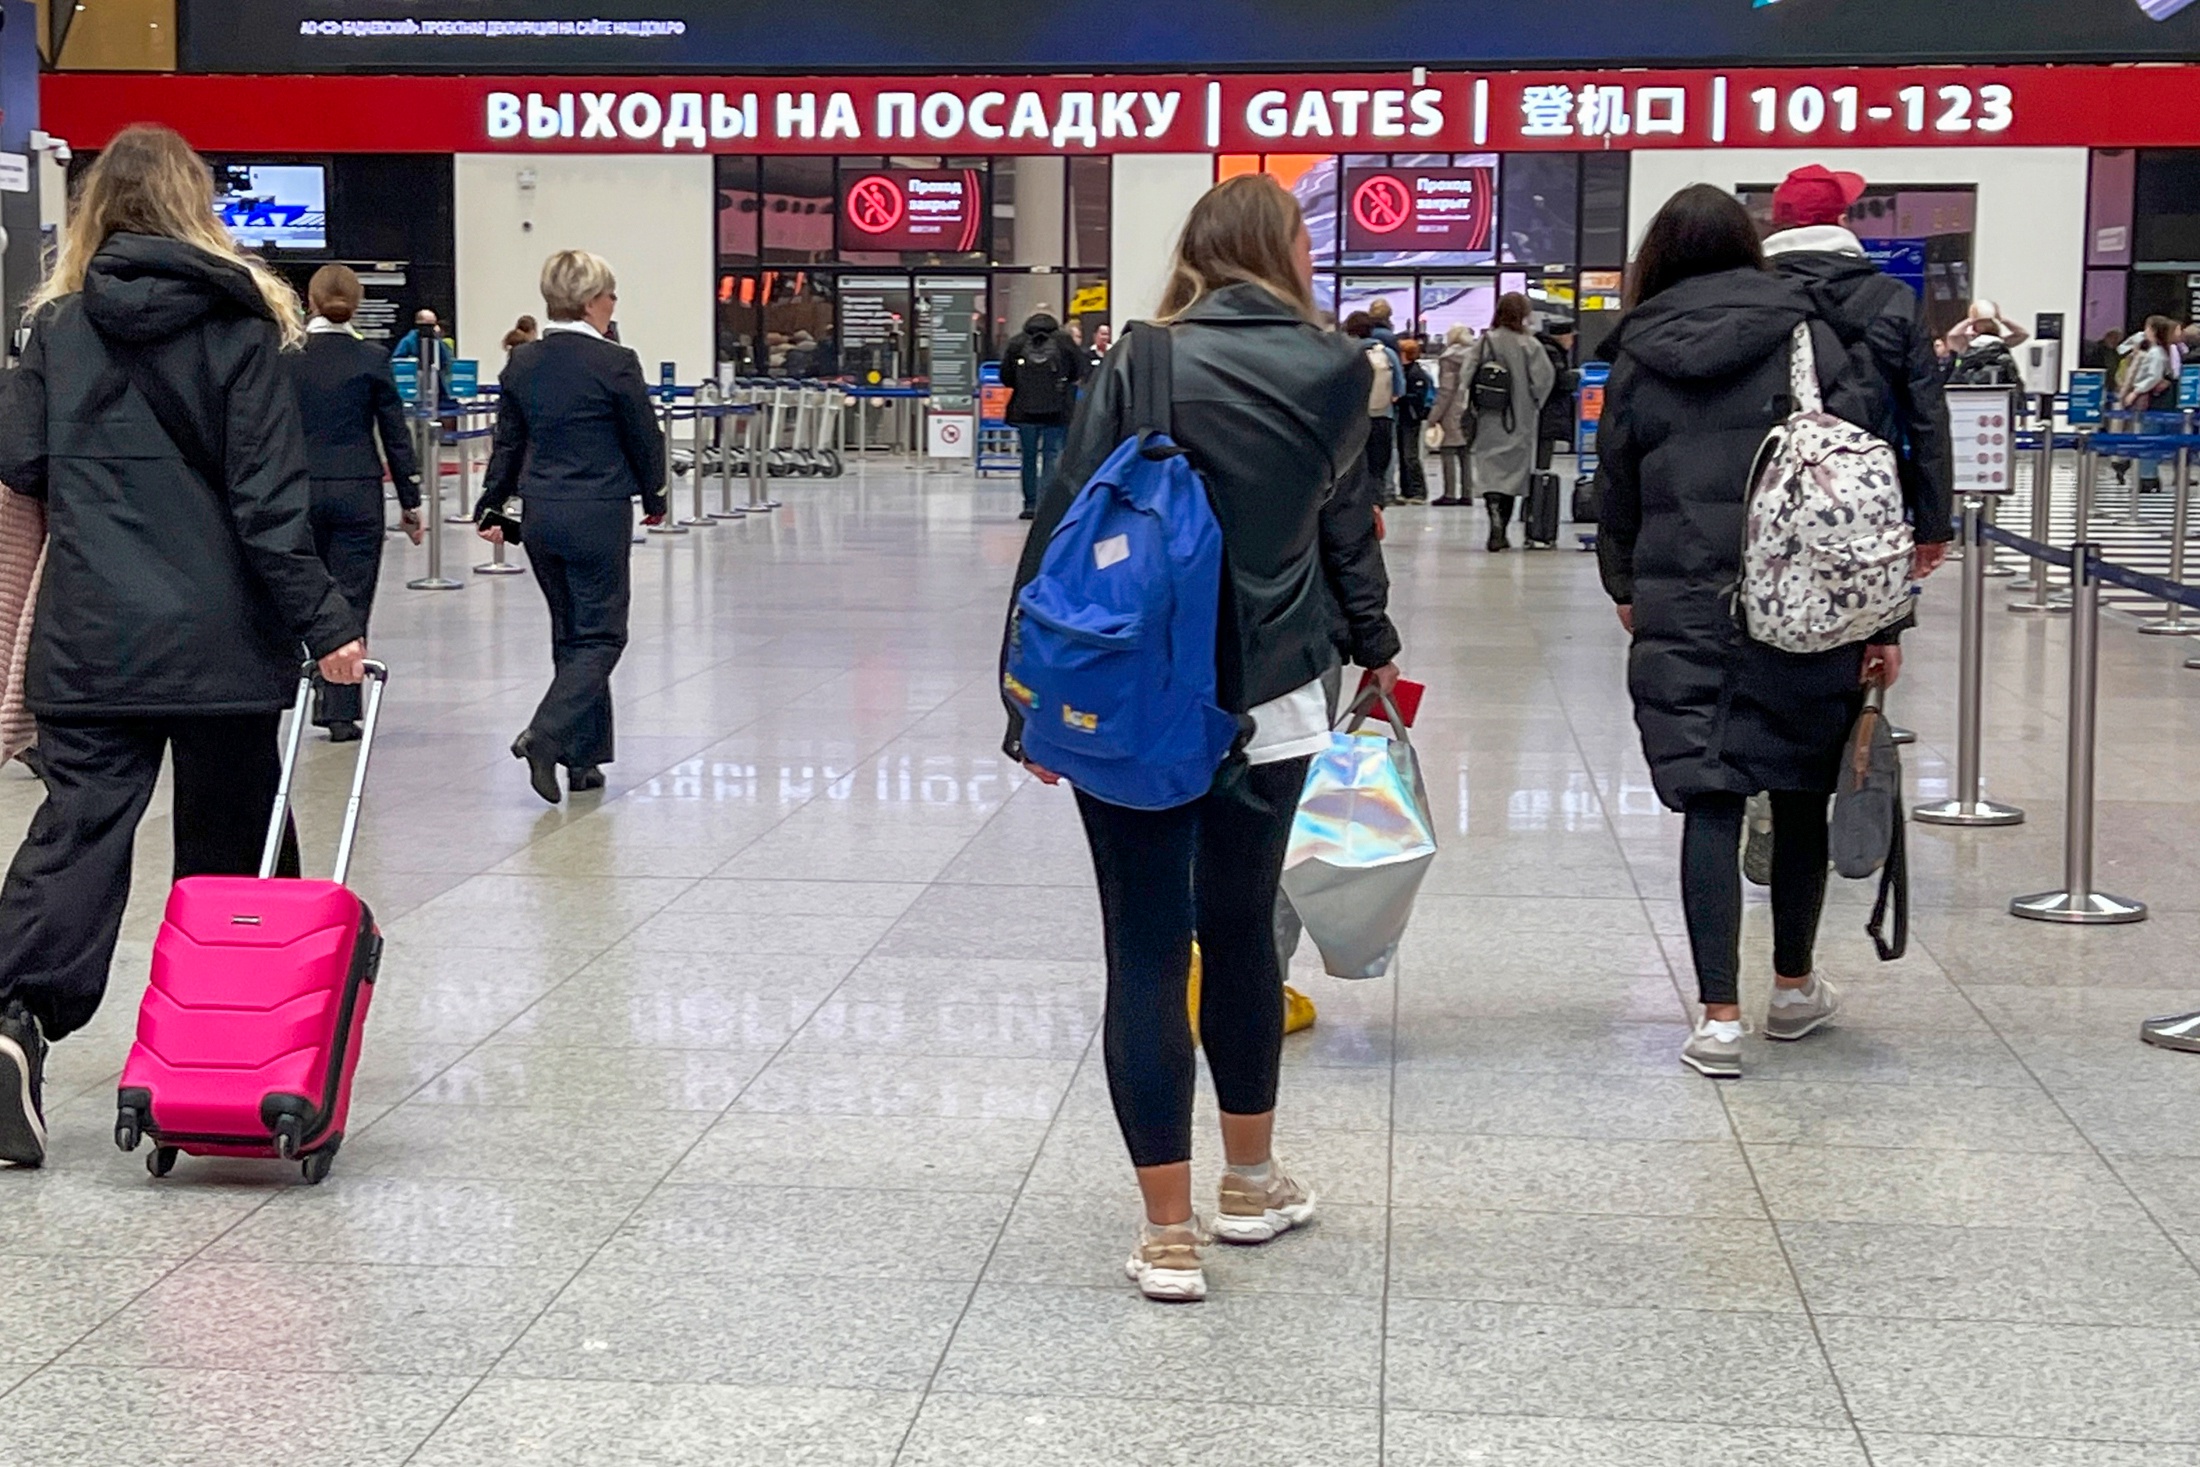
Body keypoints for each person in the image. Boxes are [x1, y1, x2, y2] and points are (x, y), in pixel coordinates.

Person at [1002, 173, 1399, 1302]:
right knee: (1240, 935)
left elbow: (1067, 520)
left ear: (1196, 252)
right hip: (1275, 695)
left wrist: (1024, 694)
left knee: (1143, 948)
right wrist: (1375, 642)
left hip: (1135, 696)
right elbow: (1344, 531)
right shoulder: (1340, 368)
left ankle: (1168, 1233)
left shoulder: (1145, 357)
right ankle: (1250, 1183)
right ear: (1289, 252)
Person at [0, 124, 368, 1168]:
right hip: (221, 639)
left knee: (79, 833)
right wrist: (328, 622)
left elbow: (19, 462)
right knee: (236, 846)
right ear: (194, 208)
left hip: (89, 634)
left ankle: (11, 1021)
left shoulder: (56, 327)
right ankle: (233, 1056)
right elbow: (266, 504)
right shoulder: (244, 328)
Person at [1594, 183, 1942, 1082]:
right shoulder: (1810, 334)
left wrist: (1627, 588)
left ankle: (1718, 1019)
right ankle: (1792, 988)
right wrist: (1884, 619)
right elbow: (1862, 491)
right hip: (1805, 599)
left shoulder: (1638, 350)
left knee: (1711, 797)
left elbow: (1616, 487)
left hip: (1685, 596)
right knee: (1796, 793)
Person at [475, 249, 666, 805]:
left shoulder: (523, 363)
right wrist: (654, 494)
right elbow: (644, 436)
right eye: (610, 296)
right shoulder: (616, 362)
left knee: (570, 634)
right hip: (596, 512)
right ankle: (545, 735)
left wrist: (492, 504)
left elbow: (509, 442)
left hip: (541, 513)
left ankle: (585, 759)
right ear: (590, 302)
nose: (614, 305)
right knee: (602, 636)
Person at [1763, 164, 1955, 571]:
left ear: (1776, 224)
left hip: (1766, 500)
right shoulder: (1895, 299)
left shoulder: (1749, 296)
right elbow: (1927, 418)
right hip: (1870, 500)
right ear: (1842, 221)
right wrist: (1933, 524)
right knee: (1868, 607)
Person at [293, 264, 426, 743]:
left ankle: (302, 681)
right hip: (357, 491)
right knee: (352, 596)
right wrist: (410, 500)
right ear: (357, 303)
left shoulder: (286, 356)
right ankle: (341, 708)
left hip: (299, 490)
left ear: (310, 301)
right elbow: (394, 434)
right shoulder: (371, 357)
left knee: (301, 592)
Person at [1470, 292, 1556, 551]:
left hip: (1488, 418)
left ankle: (1493, 514)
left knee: (1490, 472)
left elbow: (1467, 375)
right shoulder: (1530, 345)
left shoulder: (1485, 342)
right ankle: (1502, 527)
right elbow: (1544, 380)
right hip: (1519, 419)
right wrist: (1533, 402)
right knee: (1512, 475)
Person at [999, 311, 1086, 520]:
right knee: (1052, 456)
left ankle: (1030, 504)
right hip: (1057, 410)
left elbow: (1006, 377)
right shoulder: (1064, 341)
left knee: (1028, 458)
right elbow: (1078, 370)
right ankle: (1045, 505)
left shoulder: (1017, 342)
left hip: (1024, 410)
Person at [1343, 311, 1403, 500]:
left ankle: (1356, 502)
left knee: (1352, 466)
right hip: (1382, 416)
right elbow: (1399, 389)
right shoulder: (1387, 353)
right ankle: (1379, 499)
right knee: (1379, 464)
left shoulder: (1345, 353)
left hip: (1352, 421)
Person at [2118, 315, 2180, 493]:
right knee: (2146, 435)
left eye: (2147, 328)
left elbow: (2152, 377)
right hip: (2154, 399)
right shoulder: (2156, 351)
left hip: (2152, 401)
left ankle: (2147, 477)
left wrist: (2135, 392)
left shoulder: (2156, 353)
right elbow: (2122, 348)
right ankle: (2146, 475)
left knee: (2148, 436)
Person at [1428, 324, 1476, 505]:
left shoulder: (1448, 359)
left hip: (1451, 411)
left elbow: (1446, 391)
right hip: (1469, 409)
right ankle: (1467, 493)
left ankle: (1449, 493)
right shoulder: (1474, 356)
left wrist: (1434, 416)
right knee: (1465, 454)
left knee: (1448, 452)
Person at [1535, 318, 1581, 474]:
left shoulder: (1545, 349)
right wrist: (1576, 376)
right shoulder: (1553, 353)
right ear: (1563, 337)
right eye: (1571, 337)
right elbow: (1560, 380)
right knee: (1543, 454)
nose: (1572, 342)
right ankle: (1540, 483)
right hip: (1548, 410)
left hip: (1544, 410)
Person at [1394, 336, 1433, 503]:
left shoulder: (1416, 374)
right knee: (1404, 454)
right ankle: (1407, 490)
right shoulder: (1406, 371)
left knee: (1410, 455)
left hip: (1411, 417)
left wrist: (1400, 398)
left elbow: (1417, 397)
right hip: (1405, 416)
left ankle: (1418, 491)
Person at [1943, 299, 2028, 358]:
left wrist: (2002, 319)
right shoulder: (1968, 343)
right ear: (1975, 325)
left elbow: (2023, 334)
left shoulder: (1999, 342)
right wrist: (1971, 319)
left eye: (1989, 322)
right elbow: (1952, 336)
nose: (1986, 325)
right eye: (1981, 322)